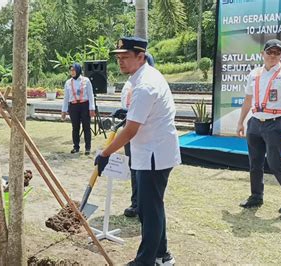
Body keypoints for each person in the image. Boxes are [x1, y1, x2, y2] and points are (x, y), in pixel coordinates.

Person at [95, 37, 181, 266]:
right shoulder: (144, 77)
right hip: (152, 151)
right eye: (118, 57)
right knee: (151, 206)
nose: (120, 62)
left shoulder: (145, 85)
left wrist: (105, 154)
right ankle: (163, 256)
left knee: (149, 211)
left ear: (141, 56)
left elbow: (131, 130)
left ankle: (145, 262)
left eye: (126, 57)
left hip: (154, 154)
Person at [237, 39, 281, 214]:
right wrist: (241, 122)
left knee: (275, 163)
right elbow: (247, 99)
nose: (273, 56)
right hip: (255, 122)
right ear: (263, 54)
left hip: (275, 123)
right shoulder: (254, 74)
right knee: (255, 163)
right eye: (270, 52)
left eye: (277, 53)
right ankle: (256, 196)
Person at [121, 52, 155, 218]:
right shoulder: (131, 82)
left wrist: (106, 152)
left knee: (144, 175)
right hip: (133, 136)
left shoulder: (147, 84)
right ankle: (136, 203)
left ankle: (142, 205)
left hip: (146, 139)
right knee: (134, 169)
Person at [61, 63, 96, 155]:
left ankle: (88, 147)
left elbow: (90, 95)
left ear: (78, 70)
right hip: (73, 106)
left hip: (84, 105)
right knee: (75, 127)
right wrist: (64, 111)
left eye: (74, 70)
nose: (72, 72)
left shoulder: (86, 80)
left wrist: (92, 108)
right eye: (71, 70)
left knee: (86, 127)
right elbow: (66, 97)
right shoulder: (68, 82)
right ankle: (76, 147)